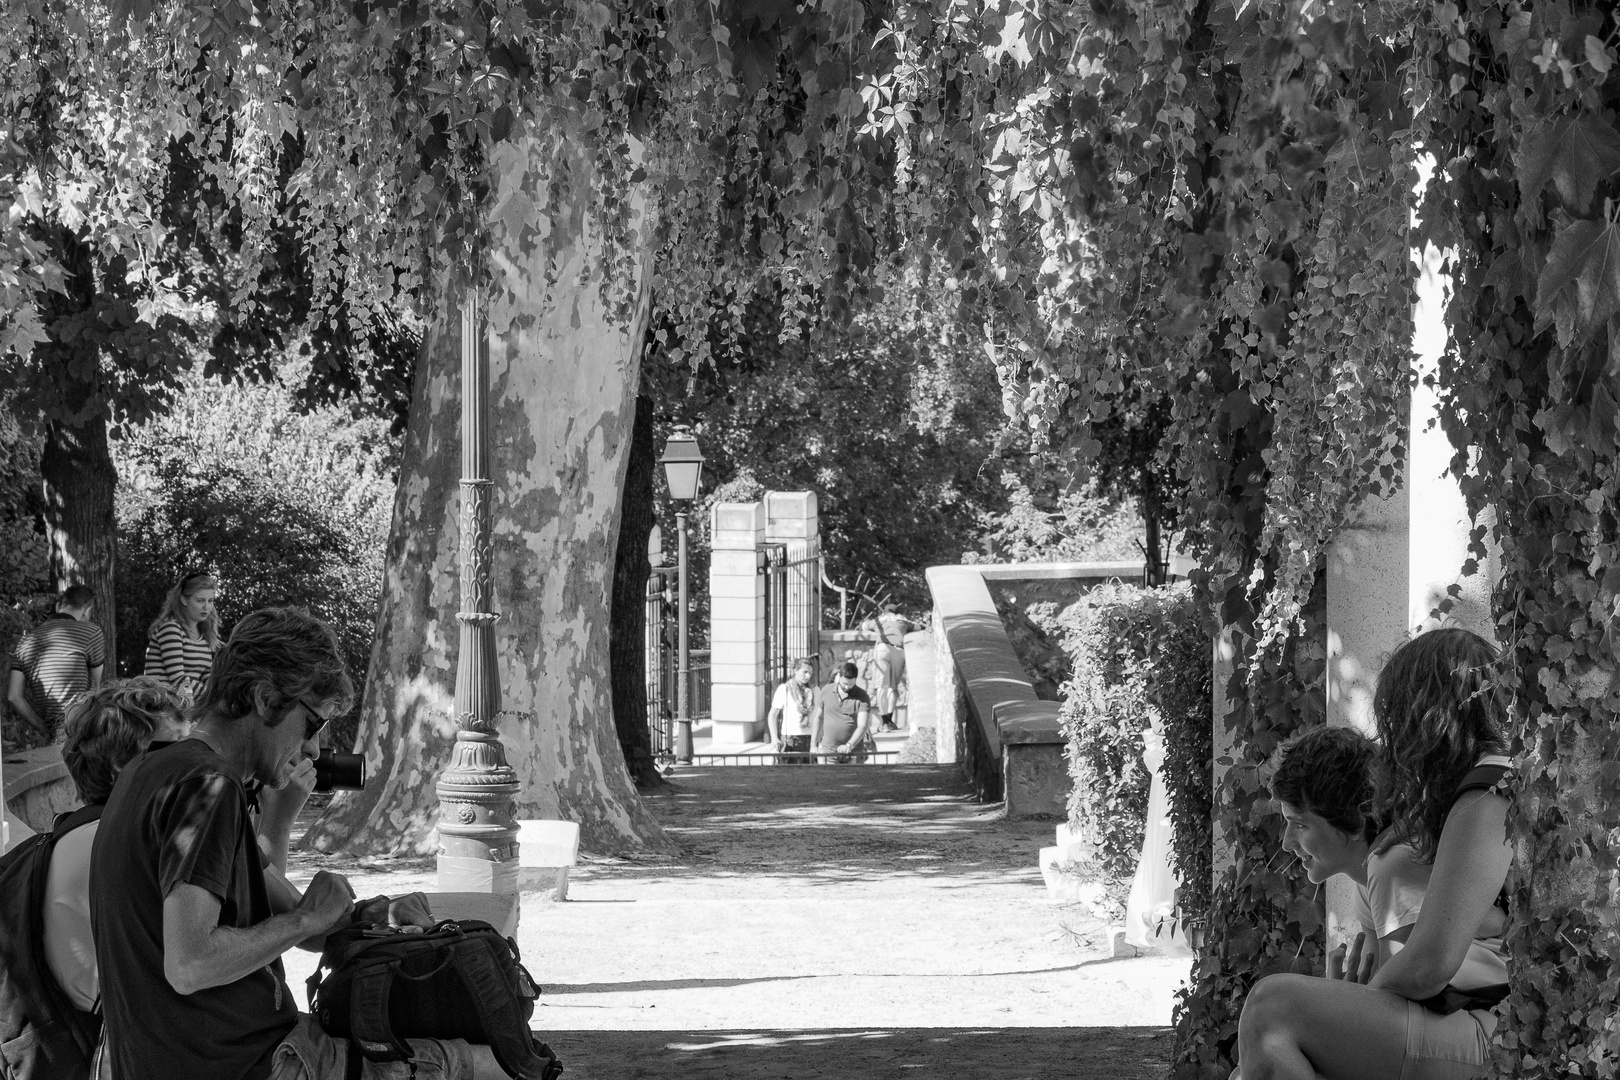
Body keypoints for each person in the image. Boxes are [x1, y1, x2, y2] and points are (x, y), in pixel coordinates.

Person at [91, 606, 511, 1080]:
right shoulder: (209, 786)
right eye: (313, 724)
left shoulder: (154, 771)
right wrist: (305, 918)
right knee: (497, 1061)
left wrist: (371, 915)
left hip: (200, 1054)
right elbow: (191, 962)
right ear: (267, 699)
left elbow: (300, 925)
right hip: (241, 1063)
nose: (313, 749)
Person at [1235, 629, 1513, 1080]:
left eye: (1395, 715)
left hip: (1493, 1032)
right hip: (1475, 1023)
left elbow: (1427, 968)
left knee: (1272, 1006)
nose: (1393, 739)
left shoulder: (1487, 793)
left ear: (1427, 717)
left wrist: (1360, 1004)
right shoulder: (1477, 793)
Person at [45, 678, 191, 1015]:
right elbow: (254, 931)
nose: (195, 763)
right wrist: (280, 818)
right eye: (177, 751)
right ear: (122, 768)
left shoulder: (74, 833)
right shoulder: (133, 841)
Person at [7, 585, 105, 743]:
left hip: (53, 730)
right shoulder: (91, 632)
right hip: (82, 727)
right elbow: (95, 689)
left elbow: (13, 696)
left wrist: (41, 726)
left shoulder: (25, 642)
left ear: (59, 606)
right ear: (87, 610)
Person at [145, 569, 221, 703]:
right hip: (161, 705)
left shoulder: (204, 635)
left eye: (210, 601)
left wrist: (218, 688)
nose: (207, 607)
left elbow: (206, 674)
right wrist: (214, 697)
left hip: (186, 704)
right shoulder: (171, 628)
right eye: (200, 601)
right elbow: (178, 680)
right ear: (184, 600)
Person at [812, 661, 872, 764]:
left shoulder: (862, 697)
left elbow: (862, 726)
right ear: (839, 676)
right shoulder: (826, 690)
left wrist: (849, 745)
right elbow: (819, 717)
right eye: (845, 684)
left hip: (853, 752)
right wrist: (813, 745)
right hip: (829, 751)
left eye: (851, 684)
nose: (848, 687)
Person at [767, 659, 817, 764]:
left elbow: (819, 716)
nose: (808, 676)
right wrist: (774, 738)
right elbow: (772, 715)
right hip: (791, 739)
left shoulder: (815, 690)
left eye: (810, 673)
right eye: (805, 672)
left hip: (810, 739)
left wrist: (818, 739)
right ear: (795, 670)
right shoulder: (784, 689)